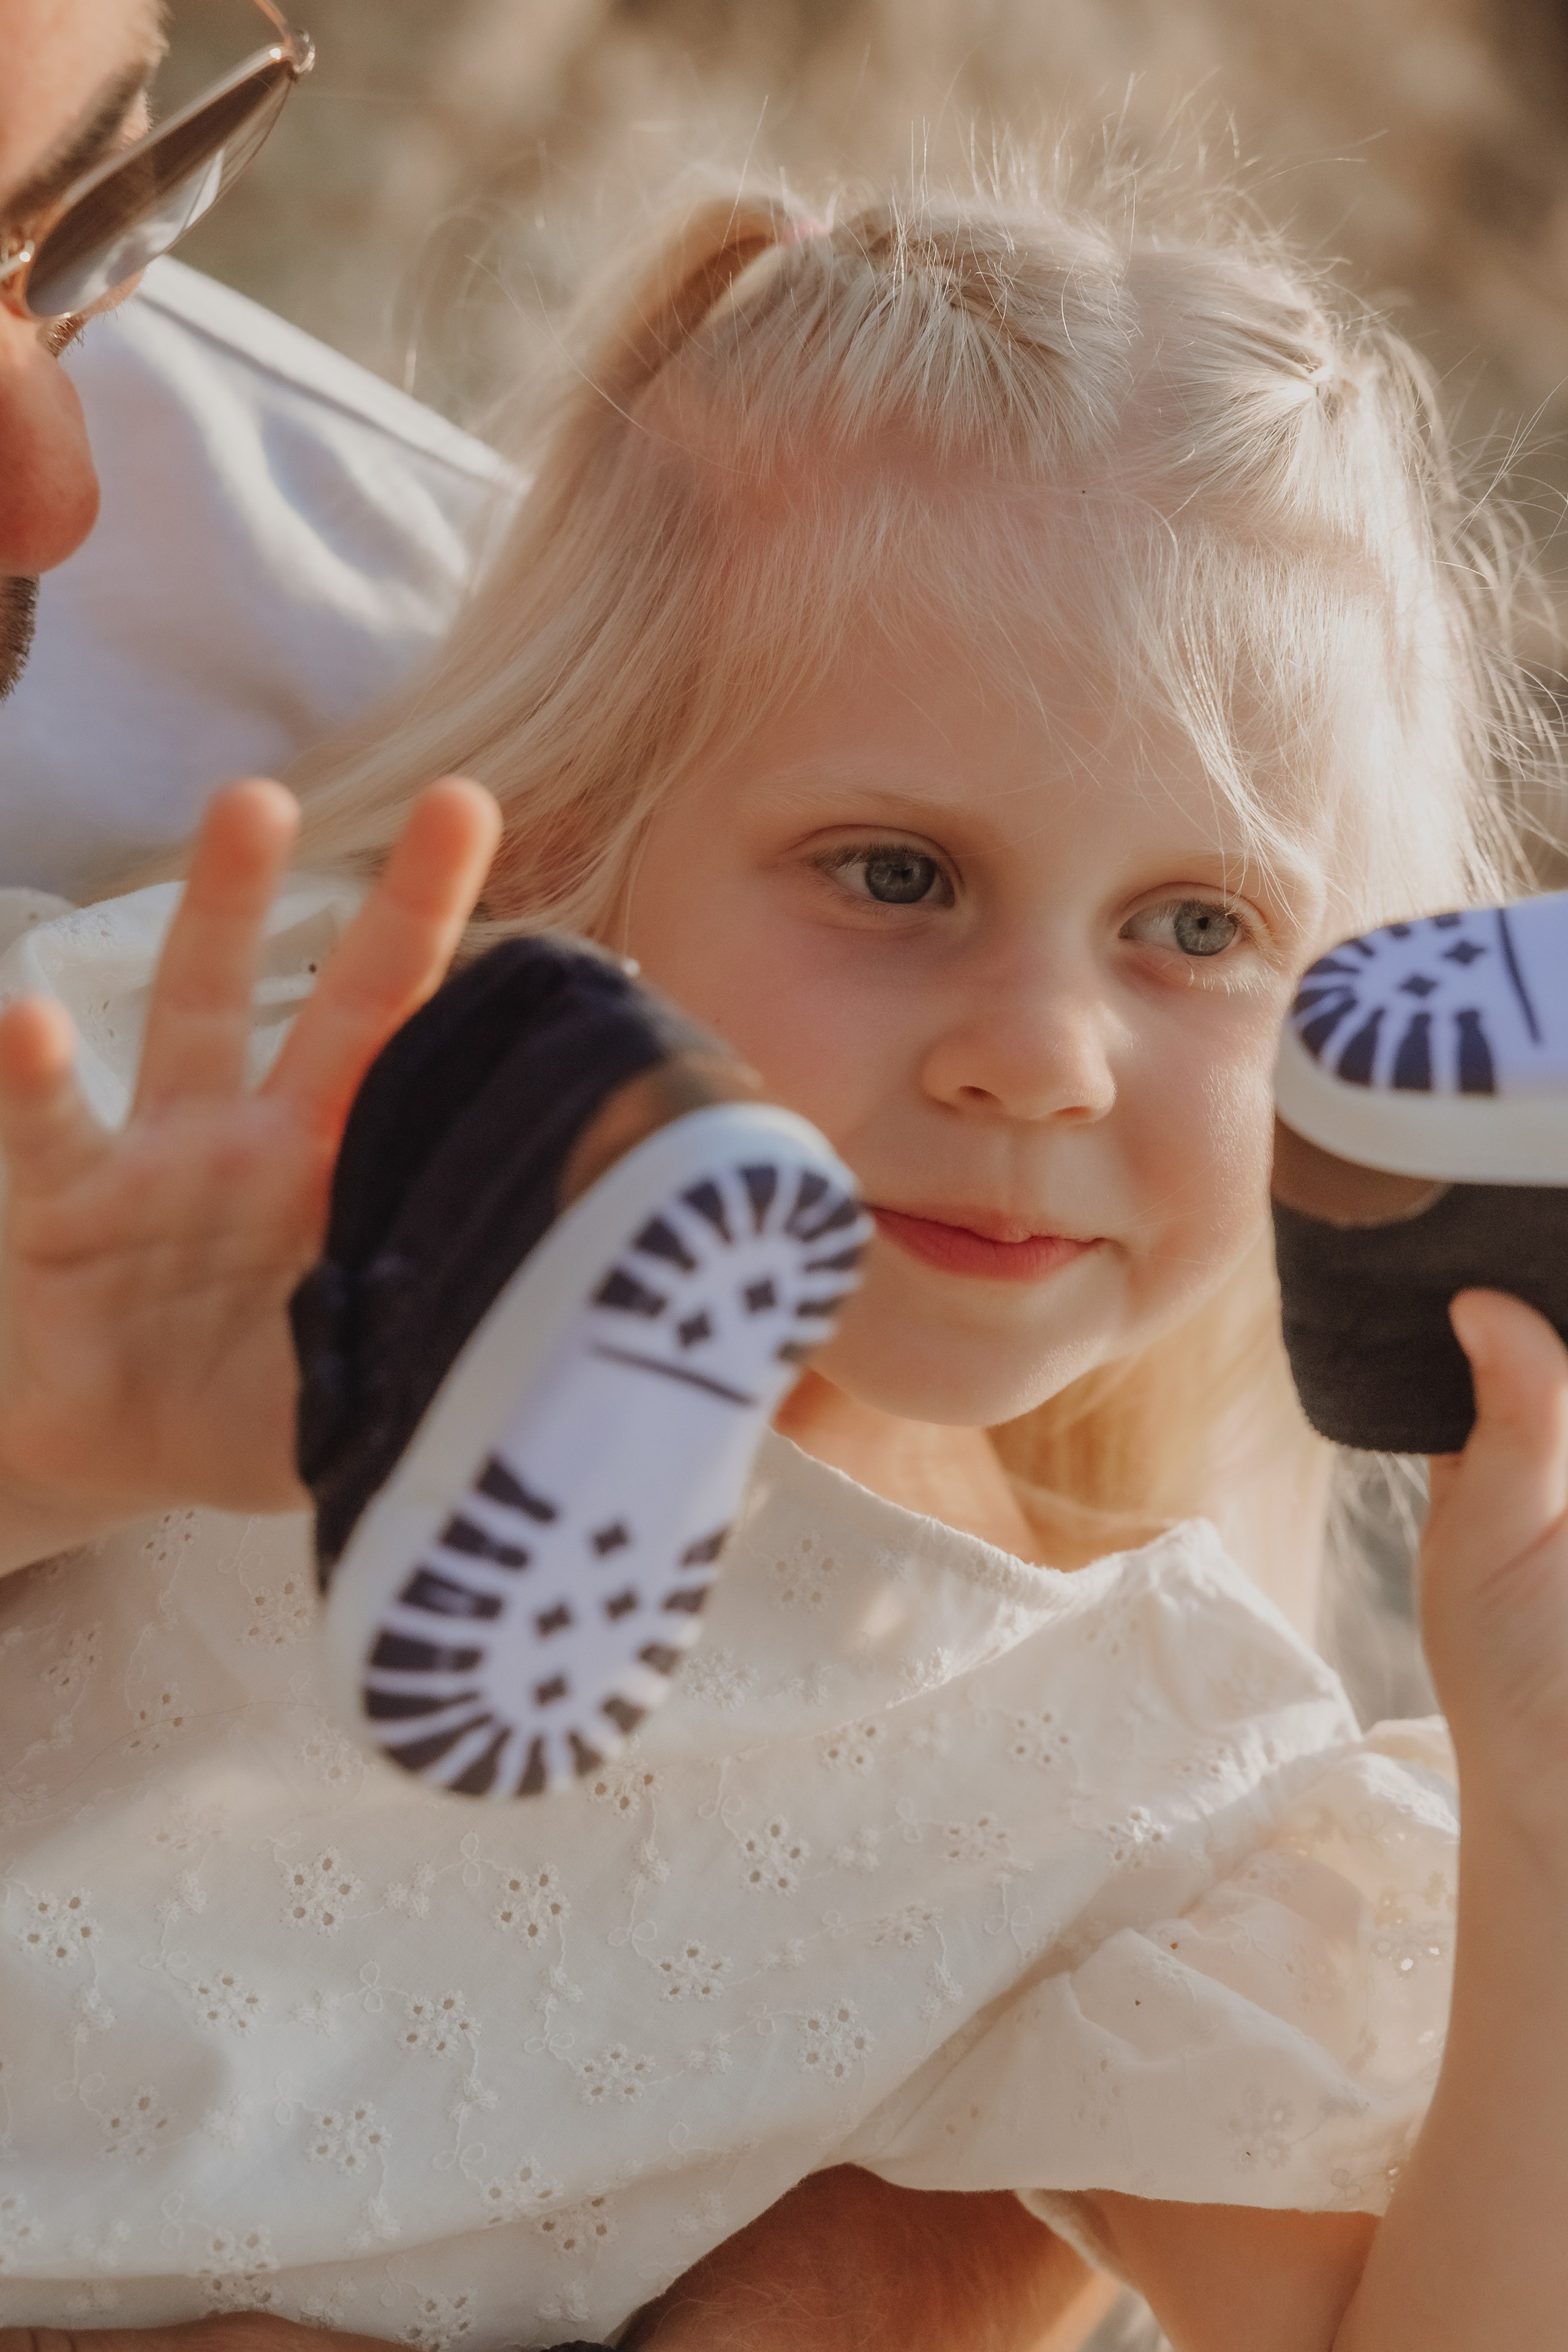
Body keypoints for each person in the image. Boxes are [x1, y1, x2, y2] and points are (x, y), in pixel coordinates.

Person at [0, 162, 1564, 2352]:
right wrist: (65, 1437)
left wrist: (1548, 1790)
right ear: (581, 828)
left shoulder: (1129, 1766)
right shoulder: (264, 1088)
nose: (1040, 1057)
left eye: (1198, 931)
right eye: (899, 874)